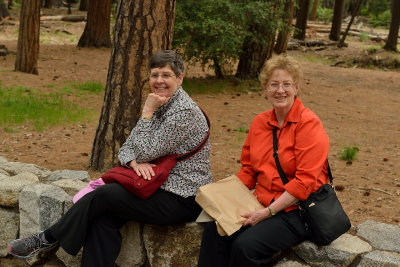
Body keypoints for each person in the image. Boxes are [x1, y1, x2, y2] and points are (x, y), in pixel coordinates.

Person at [9, 50, 212, 266]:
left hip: (181, 198)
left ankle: (47, 238)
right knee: (103, 219)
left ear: (180, 78)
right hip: (154, 187)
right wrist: (134, 162)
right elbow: (126, 149)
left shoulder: (183, 112)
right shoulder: (161, 104)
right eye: (154, 75)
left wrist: (146, 112)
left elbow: (143, 150)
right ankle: (48, 241)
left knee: (104, 196)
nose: (159, 81)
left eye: (166, 75)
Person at [198, 54, 329, 267]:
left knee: (246, 246)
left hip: (296, 211)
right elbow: (248, 171)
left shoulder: (309, 124)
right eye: (273, 84)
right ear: (265, 89)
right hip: (260, 202)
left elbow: (304, 183)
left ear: (296, 88)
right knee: (216, 228)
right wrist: (220, 198)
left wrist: (268, 212)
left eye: (286, 84)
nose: (280, 90)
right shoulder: (260, 122)